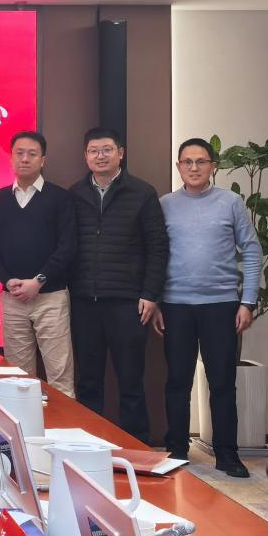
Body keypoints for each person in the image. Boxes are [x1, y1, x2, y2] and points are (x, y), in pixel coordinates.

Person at [154, 138, 261, 478]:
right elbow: (155, 256)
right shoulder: (165, 205)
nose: (194, 167)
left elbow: (252, 250)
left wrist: (248, 301)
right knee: (177, 381)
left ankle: (227, 454)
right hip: (176, 306)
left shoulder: (230, 202)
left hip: (222, 306)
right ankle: (177, 449)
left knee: (223, 382)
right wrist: (156, 301)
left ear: (213, 166)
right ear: (178, 167)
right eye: (187, 162)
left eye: (201, 161)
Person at [68, 127, 168, 442]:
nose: (100, 156)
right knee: (88, 382)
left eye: (107, 149)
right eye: (94, 151)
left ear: (120, 153)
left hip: (128, 302)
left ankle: (136, 447)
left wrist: (151, 294)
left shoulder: (142, 193)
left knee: (131, 381)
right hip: (85, 301)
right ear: (85, 156)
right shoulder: (75, 194)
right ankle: (88, 447)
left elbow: (158, 247)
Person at [0, 130, 78, 396]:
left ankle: (64, 422)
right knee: (18, 375)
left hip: (51, 297)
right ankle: (23, 423)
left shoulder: (60, 197)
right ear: (11, 157)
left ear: (43, 160)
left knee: (59, 374)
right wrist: (7, 280)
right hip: (13, 298)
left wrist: (39, 280)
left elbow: (68, 246)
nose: (25, 159)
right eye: (20, 153)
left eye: (32, 154)